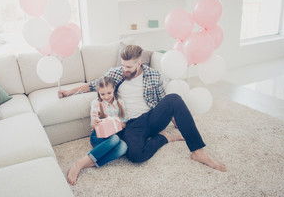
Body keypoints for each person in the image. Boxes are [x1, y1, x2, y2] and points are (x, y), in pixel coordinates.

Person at [59, 45, 226, 172]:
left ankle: (198, 151)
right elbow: (93, 85)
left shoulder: (153, 75)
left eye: (129, 67)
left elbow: (162, 101)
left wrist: (177, 121)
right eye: (123, 66)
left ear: (139, 64)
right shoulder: (116, 73)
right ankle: (165, 138)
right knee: (135, 155)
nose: (125, 70)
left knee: (174, 98)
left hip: (151, 118)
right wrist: (68, 91)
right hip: (130, 124)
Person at [67, 76, 128, 185]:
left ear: (114, 88)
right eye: (102, 94)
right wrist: (95, 123)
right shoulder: (96, 103)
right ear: (98, 93)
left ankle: (90, 163)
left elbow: (124, 124)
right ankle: (79, 164)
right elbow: (93, 125)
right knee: (115, 139)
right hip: (98, 137)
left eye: (109, 93)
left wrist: (115, 123)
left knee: (123, 146)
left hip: (114, 135)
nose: (106, 97)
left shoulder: (121, 103)